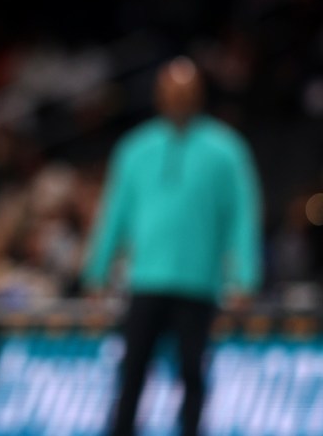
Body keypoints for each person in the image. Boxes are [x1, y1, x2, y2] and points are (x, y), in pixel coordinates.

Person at [81, 55, 263, 436]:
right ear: (158, 95)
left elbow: (242, 217)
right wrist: (97, 270)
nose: (178, 99)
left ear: (199, 95)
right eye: (170, 91)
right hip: (145, 279)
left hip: (198, 282)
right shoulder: (135, 149)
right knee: (131, 372)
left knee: (192, 373)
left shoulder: (226, 151)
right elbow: (114, 213)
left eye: (186, 92)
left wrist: (244, 276)